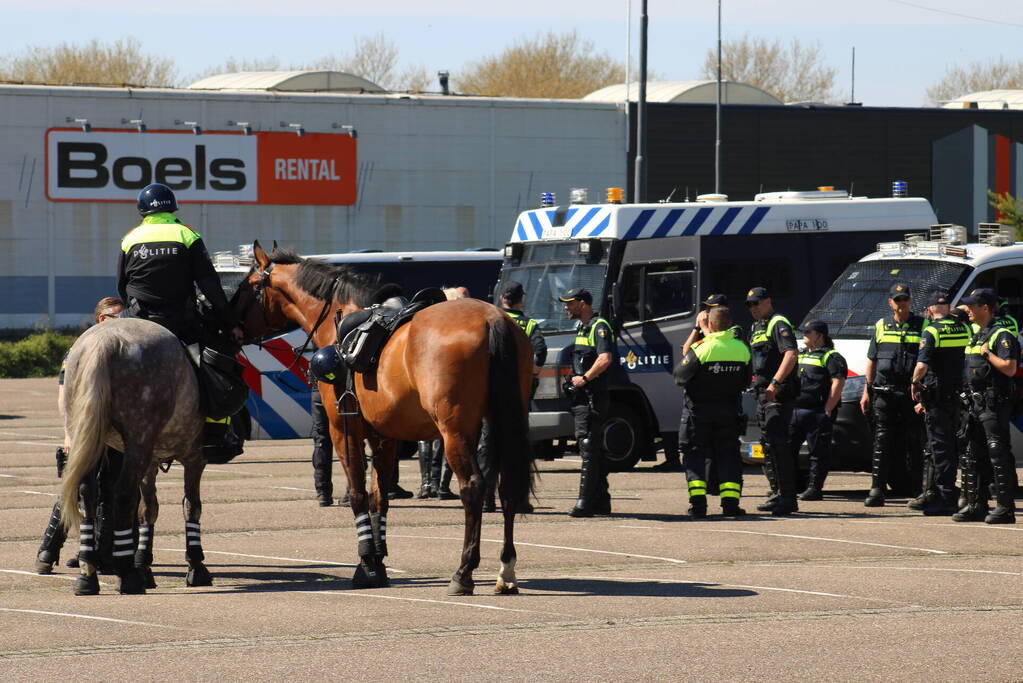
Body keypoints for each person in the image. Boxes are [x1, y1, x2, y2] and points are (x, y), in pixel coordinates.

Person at [37, 297, 125, 574]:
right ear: (102, 320)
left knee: (108, 490)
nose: (126, 324)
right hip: (85, 429)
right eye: (119, 318)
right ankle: (48, 550)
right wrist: (69, 435)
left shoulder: (124, 350)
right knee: (75, 487)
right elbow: (65, 394)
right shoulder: (80, 349)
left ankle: (98, 550)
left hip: (114, 432)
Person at [674, 306, 751, 517]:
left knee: (694, 455)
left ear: (709, 324)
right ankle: (730, 505)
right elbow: (746, 380)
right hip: (729, 412)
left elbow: (679, 376)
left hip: (699, 413)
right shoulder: (742, 349)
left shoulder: (702, 349)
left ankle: (698, 505)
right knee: (729, 457)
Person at [480, 280, 546, 512]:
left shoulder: (489, 323)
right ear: (522, 299)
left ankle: (486, 498)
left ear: (501, 299)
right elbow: (540, 352)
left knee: (487, 445)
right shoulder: (528, 325)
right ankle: (517, 499)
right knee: (516, 444)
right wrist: (530, 377)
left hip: (490, 394)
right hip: (518, 396)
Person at [659, 293, 744, 474]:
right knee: (704, 450)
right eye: (705, 308)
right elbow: (687, 351)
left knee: (723, 449)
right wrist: (696, 328)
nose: (706, 311)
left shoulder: (734, 331)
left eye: (710, 308)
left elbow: (718, 346)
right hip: (705, 403)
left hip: (724, 401)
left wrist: (706, 327)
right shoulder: (707, 332)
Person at [860, 283, 927, 507]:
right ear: (890, 303)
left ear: (910, 301)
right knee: (882, 441)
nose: (902, 303)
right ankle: (877, 489)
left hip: (910, 392)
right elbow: (871, 360)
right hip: (884, 391)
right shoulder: (881, 325)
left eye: (905, 299)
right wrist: (866, 391)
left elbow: (927, 360)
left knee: (915, 441)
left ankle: (918, 490)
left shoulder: (922, 324)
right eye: (897, 299)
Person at [954, 288, 1017, 524]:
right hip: (974, 404)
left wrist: (989, 355)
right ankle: (976, 505)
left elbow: (1010, 368)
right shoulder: (977, 334)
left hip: (993, 403)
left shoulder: (1000, 335)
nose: (968, 309)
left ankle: (1004, 508)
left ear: (986, 308)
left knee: (997, 454)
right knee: (972, 455)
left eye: (972, 305)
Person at [909, 291, 970, 515]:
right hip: (959, 393)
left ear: (930, 310)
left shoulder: (932, 330)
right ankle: (961, 494)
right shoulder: (964, 328)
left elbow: (922, 365)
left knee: (940, 447)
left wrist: (914, 383)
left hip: (937, 394)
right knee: (957, 446)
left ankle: (946, 498)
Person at [560, 287, 614, 517]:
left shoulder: (599, 326)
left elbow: (605, 358)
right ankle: (601, 502)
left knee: (588, 447)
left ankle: (585, 503)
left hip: (593, 397)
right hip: (583, 396)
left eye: (569, 303)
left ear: (582, 304)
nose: (566, 307)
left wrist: (585, 378)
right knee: (594, 450)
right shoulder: (582, 327)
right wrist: (573, 378)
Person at [746, 287, 799, 516]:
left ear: (768, 301)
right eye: (750, 305)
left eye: (757, 303)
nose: (753, 308)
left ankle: (787, 497)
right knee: (767, 446)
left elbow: (790, 354)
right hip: (762, 394)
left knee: (779, 445)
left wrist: (775, 384)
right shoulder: (756, 327)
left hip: (777, 394)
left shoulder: (778, 323)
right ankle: (776, 492)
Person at [789, 320, 847, 501]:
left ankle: (814, 488)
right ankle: (787, 487)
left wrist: (828, 408)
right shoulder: (801, 354)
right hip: (796, 410)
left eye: (808, 332)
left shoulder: (831, 356)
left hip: (817, 412)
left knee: (818, 453)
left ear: (820, 335)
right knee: (787, 450)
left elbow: (838, 382)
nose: (804, 335)